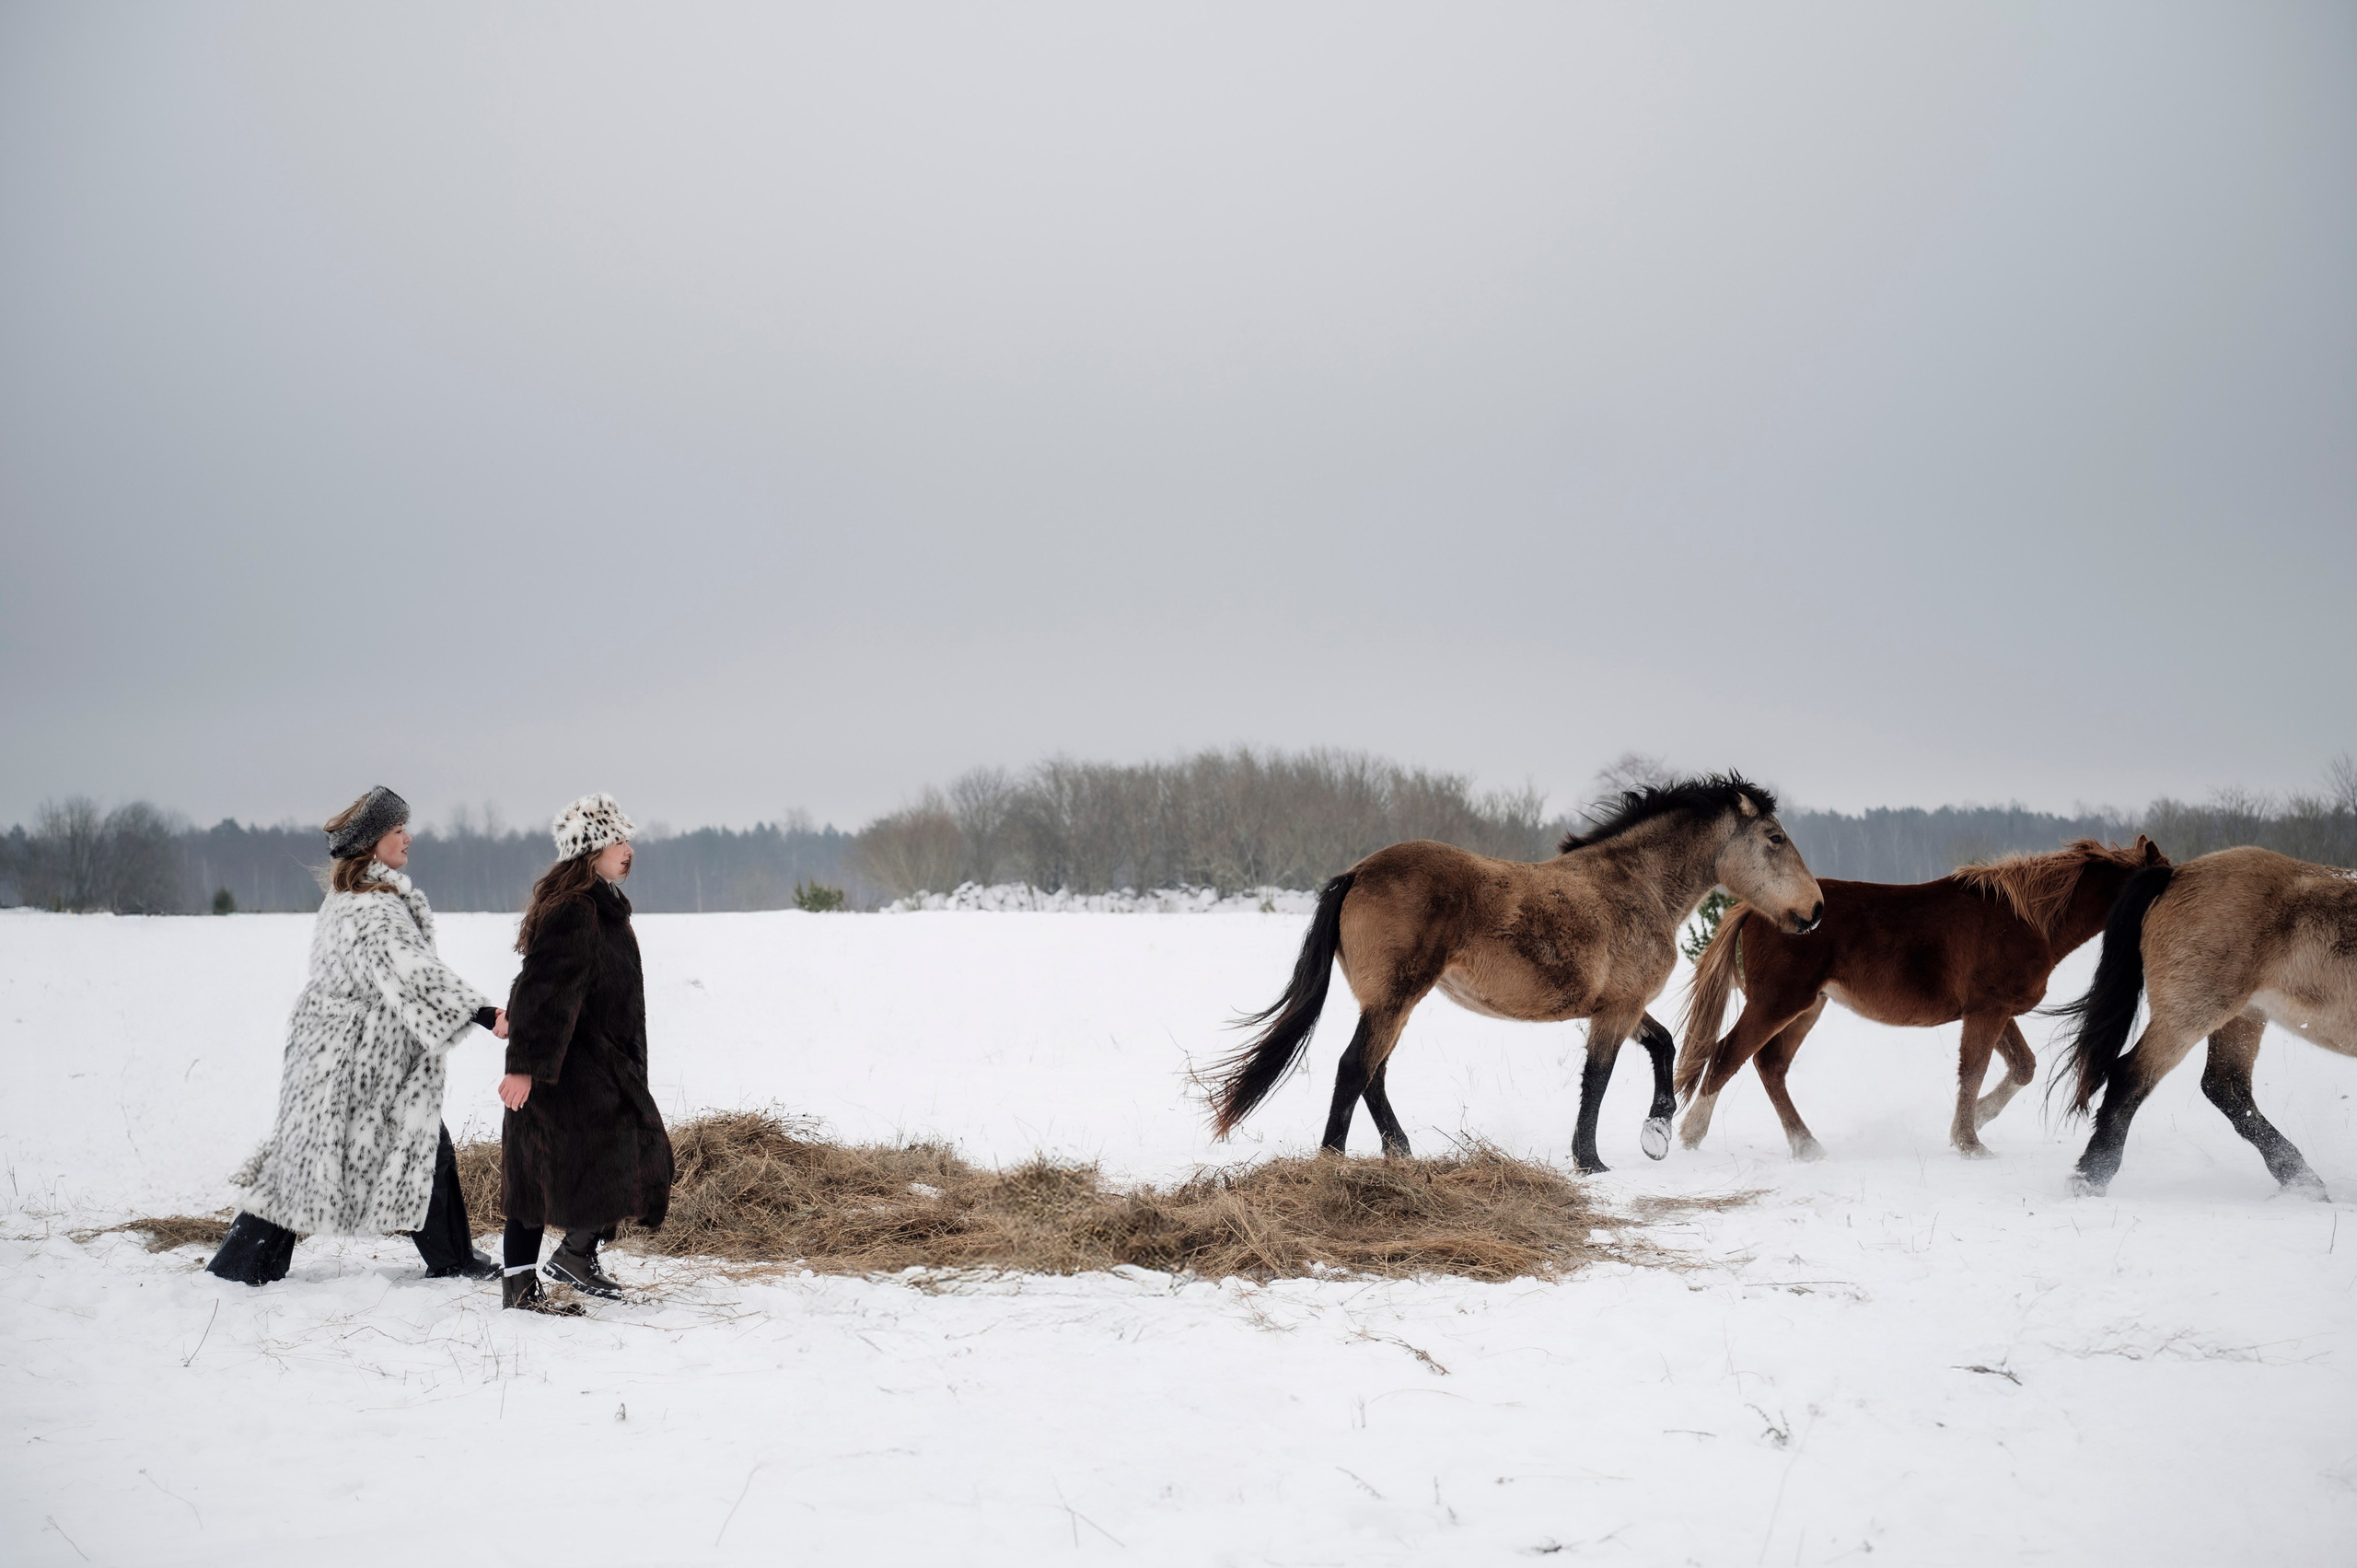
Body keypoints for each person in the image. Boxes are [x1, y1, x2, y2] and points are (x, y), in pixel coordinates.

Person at [209, 787, 506, 1286]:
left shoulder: (354, 899)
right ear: (372, 844)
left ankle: (247, 1262)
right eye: (397, 830)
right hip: (356, 1055)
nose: (407, 837)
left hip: (343, 1048)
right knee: (361, 1150)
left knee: (377, 1146)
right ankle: (243, 1262)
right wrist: (484, 1012)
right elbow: (414, 973)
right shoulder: (371, 909)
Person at [497, 793, 675, 1313]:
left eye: (627, 838)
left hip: (598, 1065)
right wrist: (524, 1067)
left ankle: (572, 1255)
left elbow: (544, 984)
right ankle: (527, 1282)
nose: (628, 848)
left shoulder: (599, 906)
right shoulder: (577, 910)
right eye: (618, 839)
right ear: (591, 849)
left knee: (604, 1163)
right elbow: (544, 989)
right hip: (569, 1071)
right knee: (537, 1179)